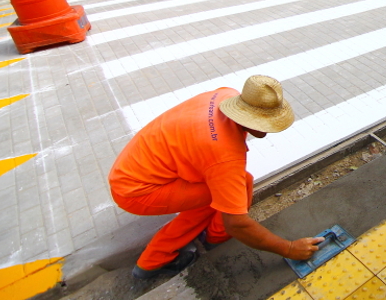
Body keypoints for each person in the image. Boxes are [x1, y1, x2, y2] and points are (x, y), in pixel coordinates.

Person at [109, 75, 324, 279]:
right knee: (223, 197)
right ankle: (154, 260)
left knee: (239, 184)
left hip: (136, 166)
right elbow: (237, 223)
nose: (267, 130)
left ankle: (213, 233)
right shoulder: (225, 156)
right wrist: (288, 248)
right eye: (263, 122)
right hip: (135, 190)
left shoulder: (225, 95)